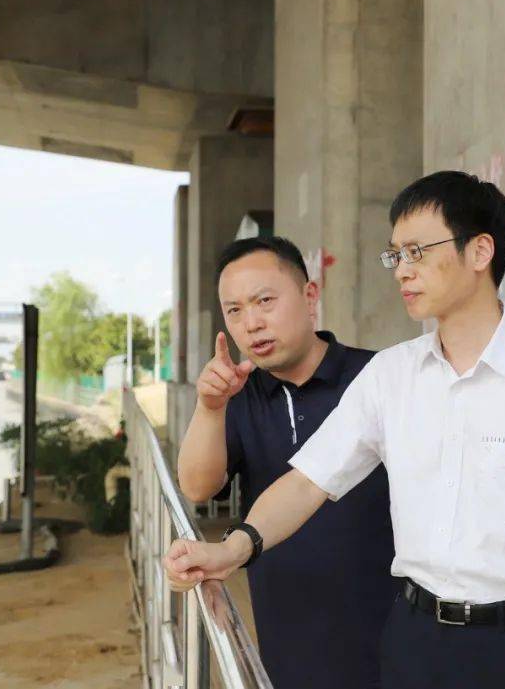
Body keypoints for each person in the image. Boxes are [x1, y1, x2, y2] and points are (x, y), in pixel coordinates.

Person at [165, 171, 505, 689]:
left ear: (480, 252)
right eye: (395, 255)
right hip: (416, 641)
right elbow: (307, 482)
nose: (401, 271)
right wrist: (231, 550)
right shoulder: (390, 374)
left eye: (417, 252)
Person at [173, 236, 397, 689]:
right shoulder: (239, 396)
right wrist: (210, 407)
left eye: (265, 301)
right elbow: (198, 487)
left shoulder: (378, 378)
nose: (252, 323)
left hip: (391, 630)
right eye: (234, 310)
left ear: (310, 296)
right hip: (288, 634)